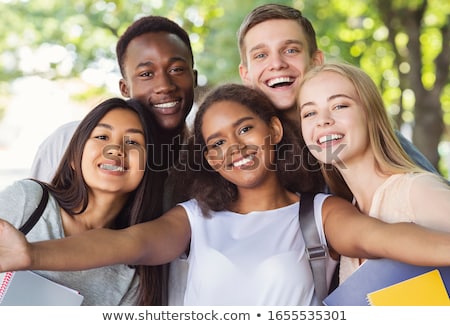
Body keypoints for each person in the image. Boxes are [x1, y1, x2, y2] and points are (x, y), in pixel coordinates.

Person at [2, 84, 450, 306]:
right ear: (209, 158)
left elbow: (396, 240)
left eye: (244, 129)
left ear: (273, 130)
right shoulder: (194, 218)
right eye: (215, 142)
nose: (232, 148)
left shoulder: (319, 213)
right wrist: (33, 255)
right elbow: (124, 243)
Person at [0, 97, 167, 305]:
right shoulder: (29, 200)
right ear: (74, 157)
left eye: (132, 142)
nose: (115, 149)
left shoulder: (133, 275)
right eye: (102, 136)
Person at [236, 3, 439, 174]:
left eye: (290, 50)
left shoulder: (362, 131)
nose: (277, 63)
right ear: (246, 75)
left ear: (316, 62)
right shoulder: (245, 151)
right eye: (261, 55)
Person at [297, 62, 450, 284]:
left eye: (340, 106)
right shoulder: (348, 213)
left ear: (371, 113)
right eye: (309, 113)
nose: (323, 120)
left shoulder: (417, 191)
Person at [30, 15, 197, 182]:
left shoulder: (208, 158)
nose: (165, 86)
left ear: (194, 78)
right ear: (124, 88)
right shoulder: (69, 141)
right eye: (146, 74)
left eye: (177, 70)